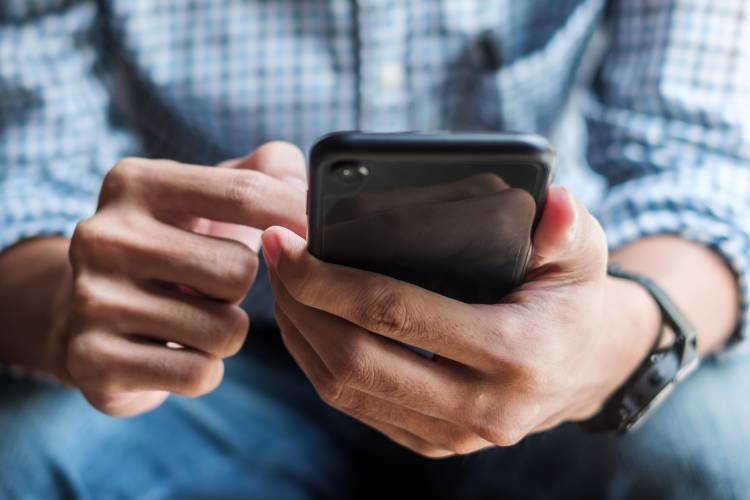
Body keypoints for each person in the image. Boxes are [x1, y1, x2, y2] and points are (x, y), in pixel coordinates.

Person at [1, 1, 749, 498]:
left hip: (550, 330)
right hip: (221, 356)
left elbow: (702, 158)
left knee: (717, 453)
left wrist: (614, 345)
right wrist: (70, 310)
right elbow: (25, 168)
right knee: (26, 455)